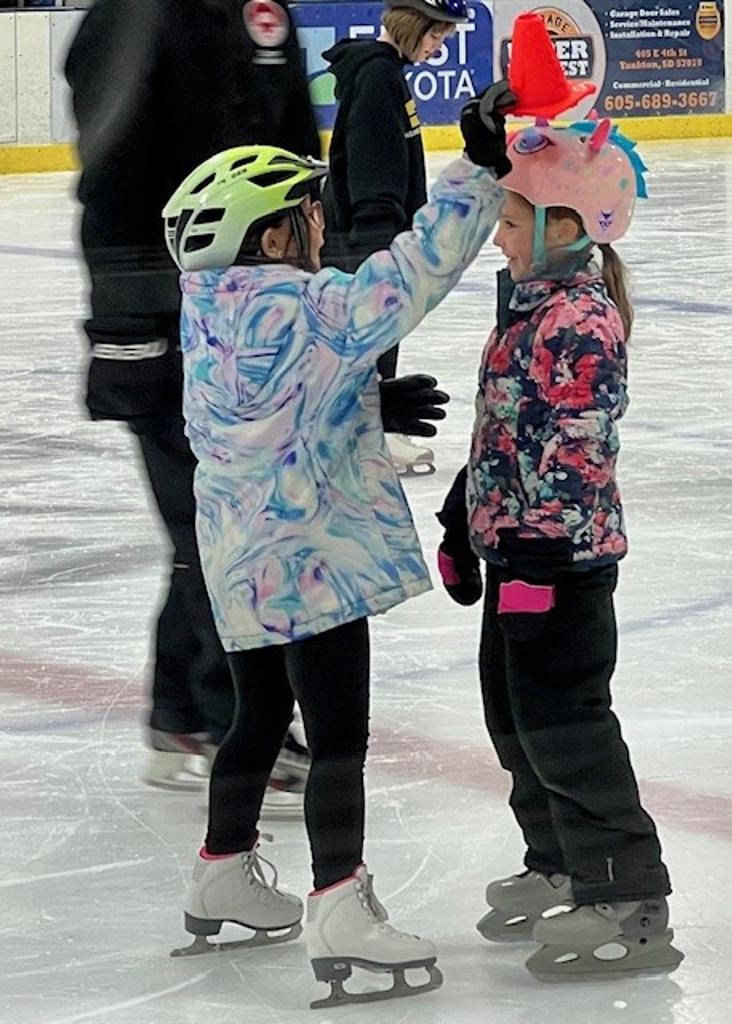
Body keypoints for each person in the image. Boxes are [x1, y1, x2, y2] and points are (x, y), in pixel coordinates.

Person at [162, 84, 514, 1007]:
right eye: (306, 212)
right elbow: (414, 273)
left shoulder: (206, 310)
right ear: (274, 237)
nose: (319, 223)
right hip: (312, 560)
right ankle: (340, 908)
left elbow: (266, 407)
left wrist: (359, 395)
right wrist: (479, 168)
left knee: (255, 717)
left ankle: (220, 873)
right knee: (338, 740)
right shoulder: (312, 305)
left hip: (238, 560)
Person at [436, 119, 685, 979]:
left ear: (564, 226)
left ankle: (627, 893)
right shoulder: (529, 308)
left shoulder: (579, 320)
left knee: (568, 729)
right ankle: (558, 862)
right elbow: (508, 428)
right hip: (515, 554)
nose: (498, 237)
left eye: (511, 222)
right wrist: (463, 513)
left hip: (561, 568)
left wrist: (537, 560)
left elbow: (578, 448)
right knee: (516, 724)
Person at [64, 0, 320, 802]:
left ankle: (180, 708)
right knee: (218, 526)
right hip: (166, 327)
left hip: (250, 318)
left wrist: (312, 293)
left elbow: (295, 160)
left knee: (213, 522)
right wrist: (128, 328)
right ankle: (230, 721)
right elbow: (110, 182)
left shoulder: (259, 12)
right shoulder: (130, 19)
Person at [321, 0, 469, 476]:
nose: (437, 47)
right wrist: (379, 243)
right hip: (368, 238)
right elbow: (372, 162)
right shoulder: (377, 77)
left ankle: (373, 430)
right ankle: (371, 435)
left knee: (380, 337)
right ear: (411, 26)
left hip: (379, 234)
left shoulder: (386, 73)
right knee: (370, 339)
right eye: (434, 35)